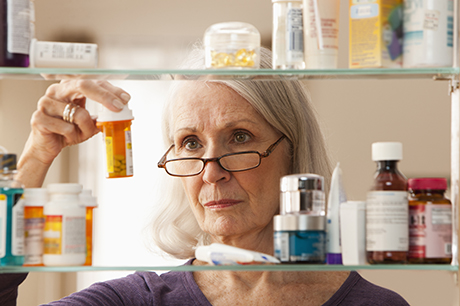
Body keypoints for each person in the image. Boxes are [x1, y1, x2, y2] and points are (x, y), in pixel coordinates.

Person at [1, 47, 410, 306]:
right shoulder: (137, 300)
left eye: (239, 136)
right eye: (191, 143)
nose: (212, 172)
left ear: (293, 153)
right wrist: (38, 154)